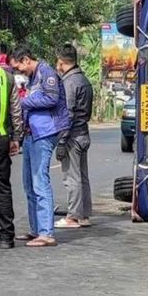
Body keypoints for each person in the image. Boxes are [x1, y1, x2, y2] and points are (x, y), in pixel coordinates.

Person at [9, 45, 70, 247]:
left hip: (45, 133)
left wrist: (22, 102)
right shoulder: (33, 77)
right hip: (31, 134)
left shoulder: (46, 73)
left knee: (39, 181)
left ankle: (47, 232)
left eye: (19, 67)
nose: (19, 72)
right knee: (28, 184)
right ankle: (36, 229)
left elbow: (52, 98)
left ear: (27, 59)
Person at [0, 40, 24, 250]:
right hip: (0, 138)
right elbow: (16, 112)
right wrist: (16, 138)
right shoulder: (5, 77)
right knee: (1, 187)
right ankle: (6, 237)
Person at [54, 44, 93, 228]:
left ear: (62, 62)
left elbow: (67, 114)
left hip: (72, 136)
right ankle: (84, 215)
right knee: (82, 176)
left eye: (57, 62)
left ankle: (73, 217)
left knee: (72, 177)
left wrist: (61, 140)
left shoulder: (69, 83)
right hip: (83, 132)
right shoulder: (84, 80)